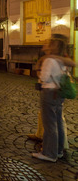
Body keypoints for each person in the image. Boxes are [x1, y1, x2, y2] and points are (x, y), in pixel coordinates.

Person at [32, 34, 70, 162]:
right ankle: (58, 150)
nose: (45, 44)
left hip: (49, 91)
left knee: (49, 124)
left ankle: (49, 153)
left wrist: (38, 72)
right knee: (58, 121)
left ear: (53, 47)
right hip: (59, 92)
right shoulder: (61, 59)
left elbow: (44, 77)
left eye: (48, 43)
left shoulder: (49, 60)